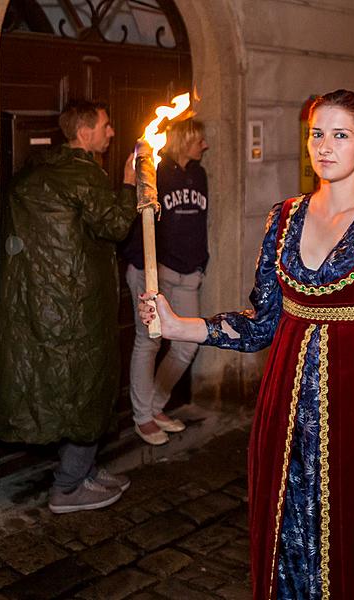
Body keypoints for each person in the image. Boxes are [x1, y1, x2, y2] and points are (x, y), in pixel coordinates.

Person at [138, 89, 354, 599]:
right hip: (286, 408)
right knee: (291, 538)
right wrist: (178, 325)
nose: (324, 146)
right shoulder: (283, 218)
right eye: (316, 134)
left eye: (340, 135)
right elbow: (262, 321)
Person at [0, 99, 138, 513]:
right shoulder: (83, 175)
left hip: (37, 306)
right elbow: (114, 225)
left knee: (67, 389)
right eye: (107, 126)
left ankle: (85, 470)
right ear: (85, 132)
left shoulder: (37, 171)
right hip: (75, 305)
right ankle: (69, 486)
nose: (111, 133)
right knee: (86, 389)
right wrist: (129, 184)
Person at [122, 119, 209, 445]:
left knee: (187, 344)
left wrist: (201, 262)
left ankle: (156, 406)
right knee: (149, 341)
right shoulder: (156, 171)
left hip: (189, 273)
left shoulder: (198, 174)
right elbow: (137, 221)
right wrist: (143, 266)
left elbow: (199, 222)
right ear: (184, 140)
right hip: (154, 271)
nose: (205, 146)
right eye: (199, 139)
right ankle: (142, 417)